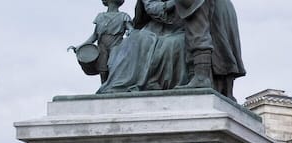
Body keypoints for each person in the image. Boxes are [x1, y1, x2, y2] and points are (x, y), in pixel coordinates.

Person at [97, 0, 245, 98]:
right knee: (138, 41)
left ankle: (204, 77)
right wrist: (172, 4)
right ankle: (204, 77)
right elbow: (152, 8)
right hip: (168, 26)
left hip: (191, 22)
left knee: (197, 34)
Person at [76, 0, 131, 83]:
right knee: (103, 68)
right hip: (102, 46)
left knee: (113, 65)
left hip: (116, 45)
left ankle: (113, 85)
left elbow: (131, 29)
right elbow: (94, 35)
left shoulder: (123, 16)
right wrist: (80, 46)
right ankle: (103, 87)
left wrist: (131, 31)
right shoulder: (100, 17)